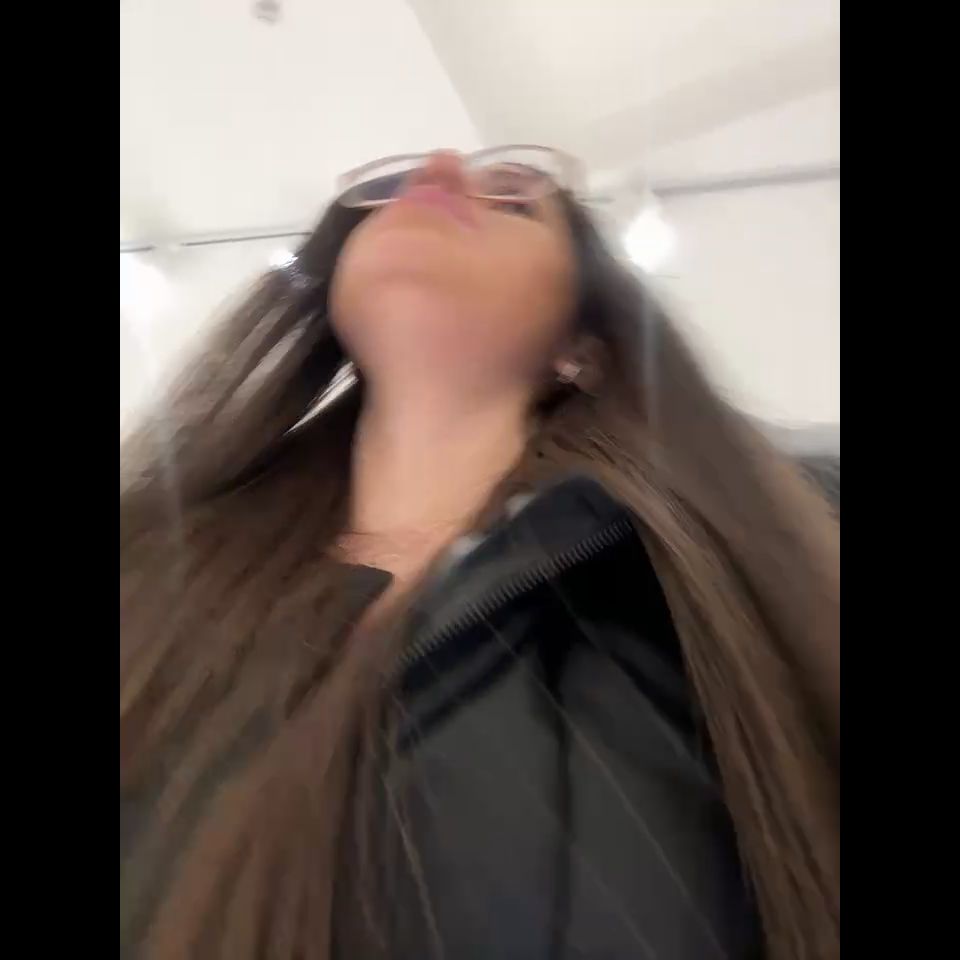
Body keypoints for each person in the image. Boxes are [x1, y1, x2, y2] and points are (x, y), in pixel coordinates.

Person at [120, 147, 840, 960]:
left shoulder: (758, 542)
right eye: (389, 192)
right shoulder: (146, 566)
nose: (437, 169)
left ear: (585, 342)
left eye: (514, 200)